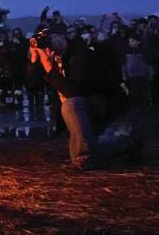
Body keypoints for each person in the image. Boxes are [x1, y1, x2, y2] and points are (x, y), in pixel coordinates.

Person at [31, 29, 140, 170]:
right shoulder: (54, 59)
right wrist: (34, 61)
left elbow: (71, 92)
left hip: (104, 108)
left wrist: (49, 67)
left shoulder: (80, 54)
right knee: (97, 145)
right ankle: (124, 145)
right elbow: (31, 84)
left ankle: (86, 157)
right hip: (86, 114)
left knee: (71, 105)